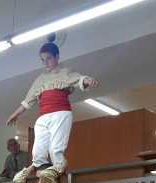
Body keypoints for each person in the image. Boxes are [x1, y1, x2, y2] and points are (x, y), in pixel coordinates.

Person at [6, 40, 98, 173]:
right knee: (38, 151)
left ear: (56, 57)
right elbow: (27, 101)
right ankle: (44, 170)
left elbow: (79, 79)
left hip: (60, 113)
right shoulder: (40, 79)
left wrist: (88, 80)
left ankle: (59, 170)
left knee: (55, 149)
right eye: (43, 60)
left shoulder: (65, 72)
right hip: (44, 116)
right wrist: (14, 115)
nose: (46, 62)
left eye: (49, 58)